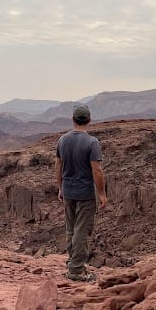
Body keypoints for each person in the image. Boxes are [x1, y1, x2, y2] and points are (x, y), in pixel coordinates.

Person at [55, 104, 108, 282]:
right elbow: (97, 171)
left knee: (71, 229)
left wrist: (60, 187)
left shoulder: (62, 140)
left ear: (73, 119)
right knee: (81, 230)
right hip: (84, 193)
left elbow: (58, 166)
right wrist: (102, 194)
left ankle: (72, 262)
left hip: (68, 191)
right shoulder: (92, 142)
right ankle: (76, 270)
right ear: (89, 120)